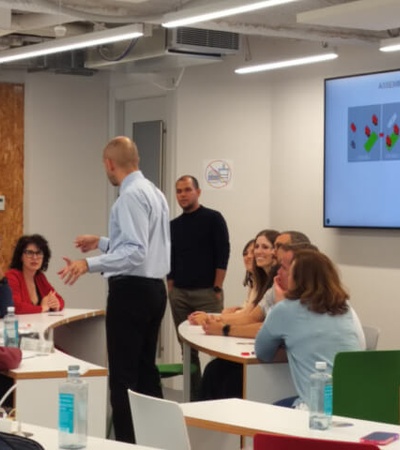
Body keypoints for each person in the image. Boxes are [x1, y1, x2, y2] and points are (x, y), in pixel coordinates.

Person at [58, 136, 170, 444]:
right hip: (154, 290)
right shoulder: (155, 193)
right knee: (146, 371)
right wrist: (103, 243)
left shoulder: (129, 197)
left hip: (131, 292)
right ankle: (155, 439)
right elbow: (146, 247)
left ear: (110, 164)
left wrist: (88, 263)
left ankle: (127, 443)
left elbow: (135, 252)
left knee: (123, 377)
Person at [199, 231, 312, 400]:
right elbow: (252, 317)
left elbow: (266, 339)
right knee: (216, 370)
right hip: (284, 363)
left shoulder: (308, 298)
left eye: (276, 247)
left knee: (228, 379)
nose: (273, 252)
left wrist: (224, 328)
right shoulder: (276, 285)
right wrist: (217, 321)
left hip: (296, 374)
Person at [255, 249, 365, 408]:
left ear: (297, 279)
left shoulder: (285, 310)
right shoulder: (344, 307)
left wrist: (279, 304)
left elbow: (263, 352)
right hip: (356, 406)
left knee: (267, 413)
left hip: (317, 411)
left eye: (288, 271)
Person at [167, 174, 230, 400]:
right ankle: (195, 397)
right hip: (180, 294)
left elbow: (223, 252)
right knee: (187, 350)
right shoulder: (173, 226)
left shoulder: (213, 218)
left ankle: (217, 395)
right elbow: (170, 258)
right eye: (179, 191)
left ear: (198, 192)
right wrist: (171, 288)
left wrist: (217, 286)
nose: (182, 195)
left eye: (187, 190)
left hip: (207, 294)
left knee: (218, 347)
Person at [6, 234, 65, 314]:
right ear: (21, 256)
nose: (35, 257)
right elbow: (15, 306)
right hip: (18, 325)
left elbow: (59, 299)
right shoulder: (12, 276)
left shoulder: (39, 277)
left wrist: (56, 304)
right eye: (29, 253)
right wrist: (42, 308)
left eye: (39, 253)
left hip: (37, 324)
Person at [222, 239, 255, 314]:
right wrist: (239, 309)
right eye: (245, 254)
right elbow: (248, 308)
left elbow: (252, 315)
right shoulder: (253, 282)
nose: (248, 256)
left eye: (253, 252)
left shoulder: (266, 284)